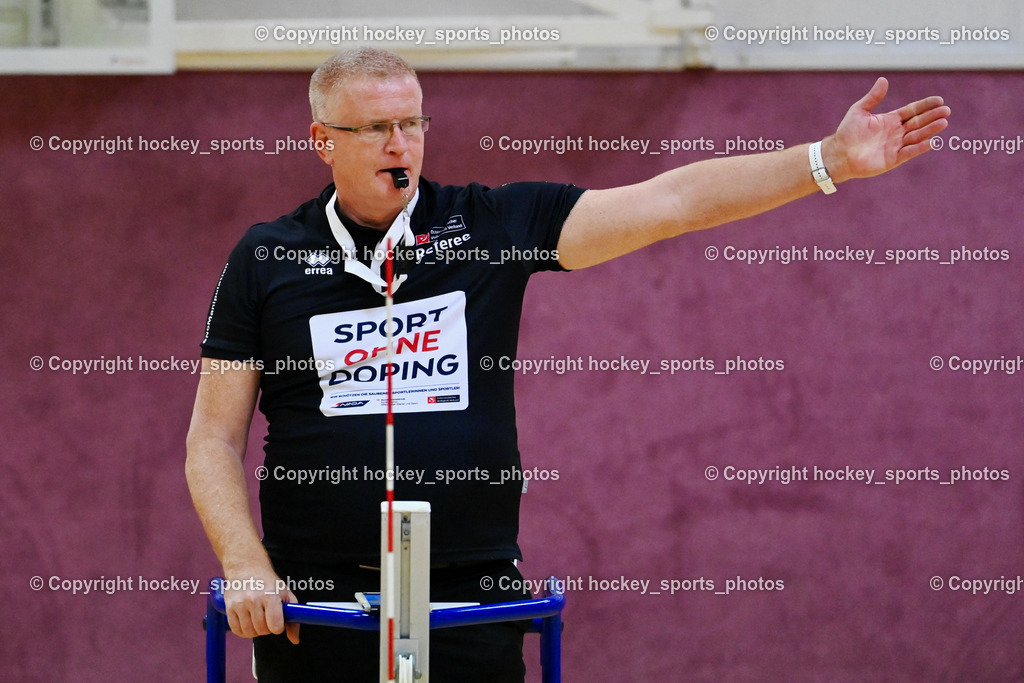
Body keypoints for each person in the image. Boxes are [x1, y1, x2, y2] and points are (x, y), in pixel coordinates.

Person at [185, 47, 949, 681]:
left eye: (413, 122)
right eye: (377, 128)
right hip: (312, 600)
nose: (401, 144)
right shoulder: (266, 257)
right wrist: (245, 562)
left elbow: (674, 201)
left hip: (469, 593)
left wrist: (827, 161)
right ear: (323, 140)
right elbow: (212, 438)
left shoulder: (491, 225)